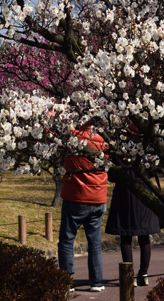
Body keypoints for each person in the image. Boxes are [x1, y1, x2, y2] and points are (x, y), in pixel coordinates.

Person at [58, 124, 108, 293]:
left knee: (66, 239)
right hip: (98, 195)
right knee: (94, 241)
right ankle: (97, 281)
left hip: (76, 195)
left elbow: (50, 133)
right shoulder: (104, 139)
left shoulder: (71, 136)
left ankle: (65, 279)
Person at [105, 167, 161, 287]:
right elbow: (153, 169)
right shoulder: (147, 149)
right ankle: (144, 273)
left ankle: (129, 274)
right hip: (143, 191)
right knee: (144, 235)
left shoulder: (118, 153)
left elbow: (110, 173)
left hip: (123, 192)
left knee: (126, 235)